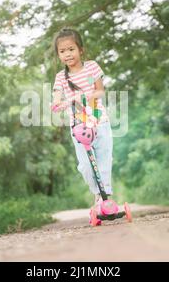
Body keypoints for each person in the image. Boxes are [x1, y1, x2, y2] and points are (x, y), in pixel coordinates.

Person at [51, 28, 113, 214]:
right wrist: (57, 103)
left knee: (104, 160)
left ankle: (105, 197)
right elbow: (56, 98)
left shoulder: (92, 67)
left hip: (99, 121)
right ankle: (97, 193)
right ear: (58, 55)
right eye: (62, 51)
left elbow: (100, 91)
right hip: (78, 127)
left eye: (71, 49)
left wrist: (86, 96)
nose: (67, 54)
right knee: (86, 165)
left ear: (80, 50)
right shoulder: (61, 77)